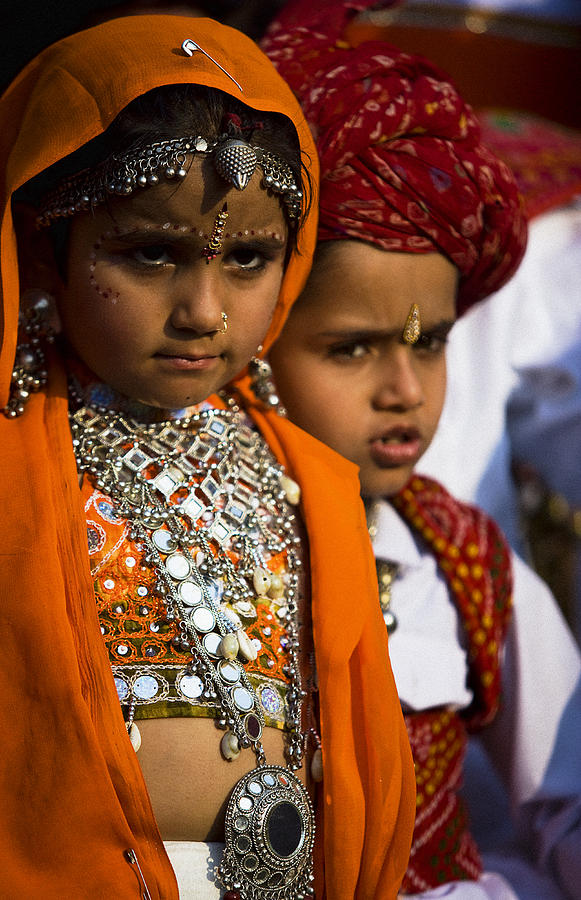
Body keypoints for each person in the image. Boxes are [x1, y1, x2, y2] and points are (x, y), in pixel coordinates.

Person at [0, 15, 416, 899]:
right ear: (47, 248)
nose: (202, 309)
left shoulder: (311, 479)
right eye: (152, 252)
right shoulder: (14, 465)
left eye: (249, 259)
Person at [263, 2, 581, 897]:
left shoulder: (465, 565)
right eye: (351, 348)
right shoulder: (155, 553)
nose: (406, 389)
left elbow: (567, 804)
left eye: (434, 342)